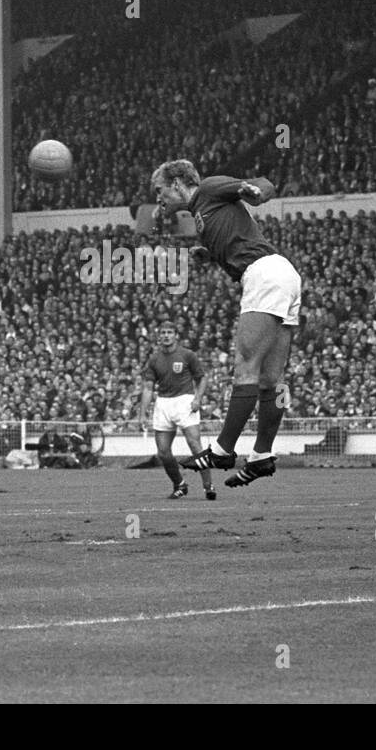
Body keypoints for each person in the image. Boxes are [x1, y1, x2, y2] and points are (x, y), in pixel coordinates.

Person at [152, 159, 301, 488]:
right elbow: (234, 236)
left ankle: (222, 450)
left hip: (263, 275)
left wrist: (254, 191)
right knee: (271, 379)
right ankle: (262, 455)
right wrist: (211, 253)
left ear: (177, 183)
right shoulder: (202, 213)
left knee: (245, 367)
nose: (158, 199)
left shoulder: (206, 189)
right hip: (283, 275)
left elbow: (263, 182)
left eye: (160, 191)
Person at [140, 322, 210, 499]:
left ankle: (208, 486)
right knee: (163, 451)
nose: (166, 335)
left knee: (195, 445)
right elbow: (148, 388)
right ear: (159, 336)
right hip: (163, 403)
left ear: (176, 335)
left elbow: (202, 379)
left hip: (185, 402)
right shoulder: (154, 359)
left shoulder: (188, 355)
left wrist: (197, 399)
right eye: (163, 332)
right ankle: (179, 484)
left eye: (169, 332)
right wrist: (142, 413)